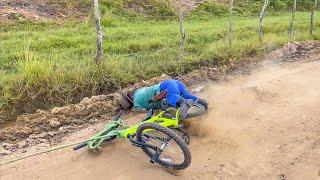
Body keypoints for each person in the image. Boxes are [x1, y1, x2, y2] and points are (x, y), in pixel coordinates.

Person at [117, 79, 208, 120]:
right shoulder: (139, 90)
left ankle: (184, 104)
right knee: (188, 96)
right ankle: (204, 104)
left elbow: (144, 113)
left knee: (168, 108)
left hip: (165, 89)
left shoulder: (136, 103)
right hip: (172, 82)